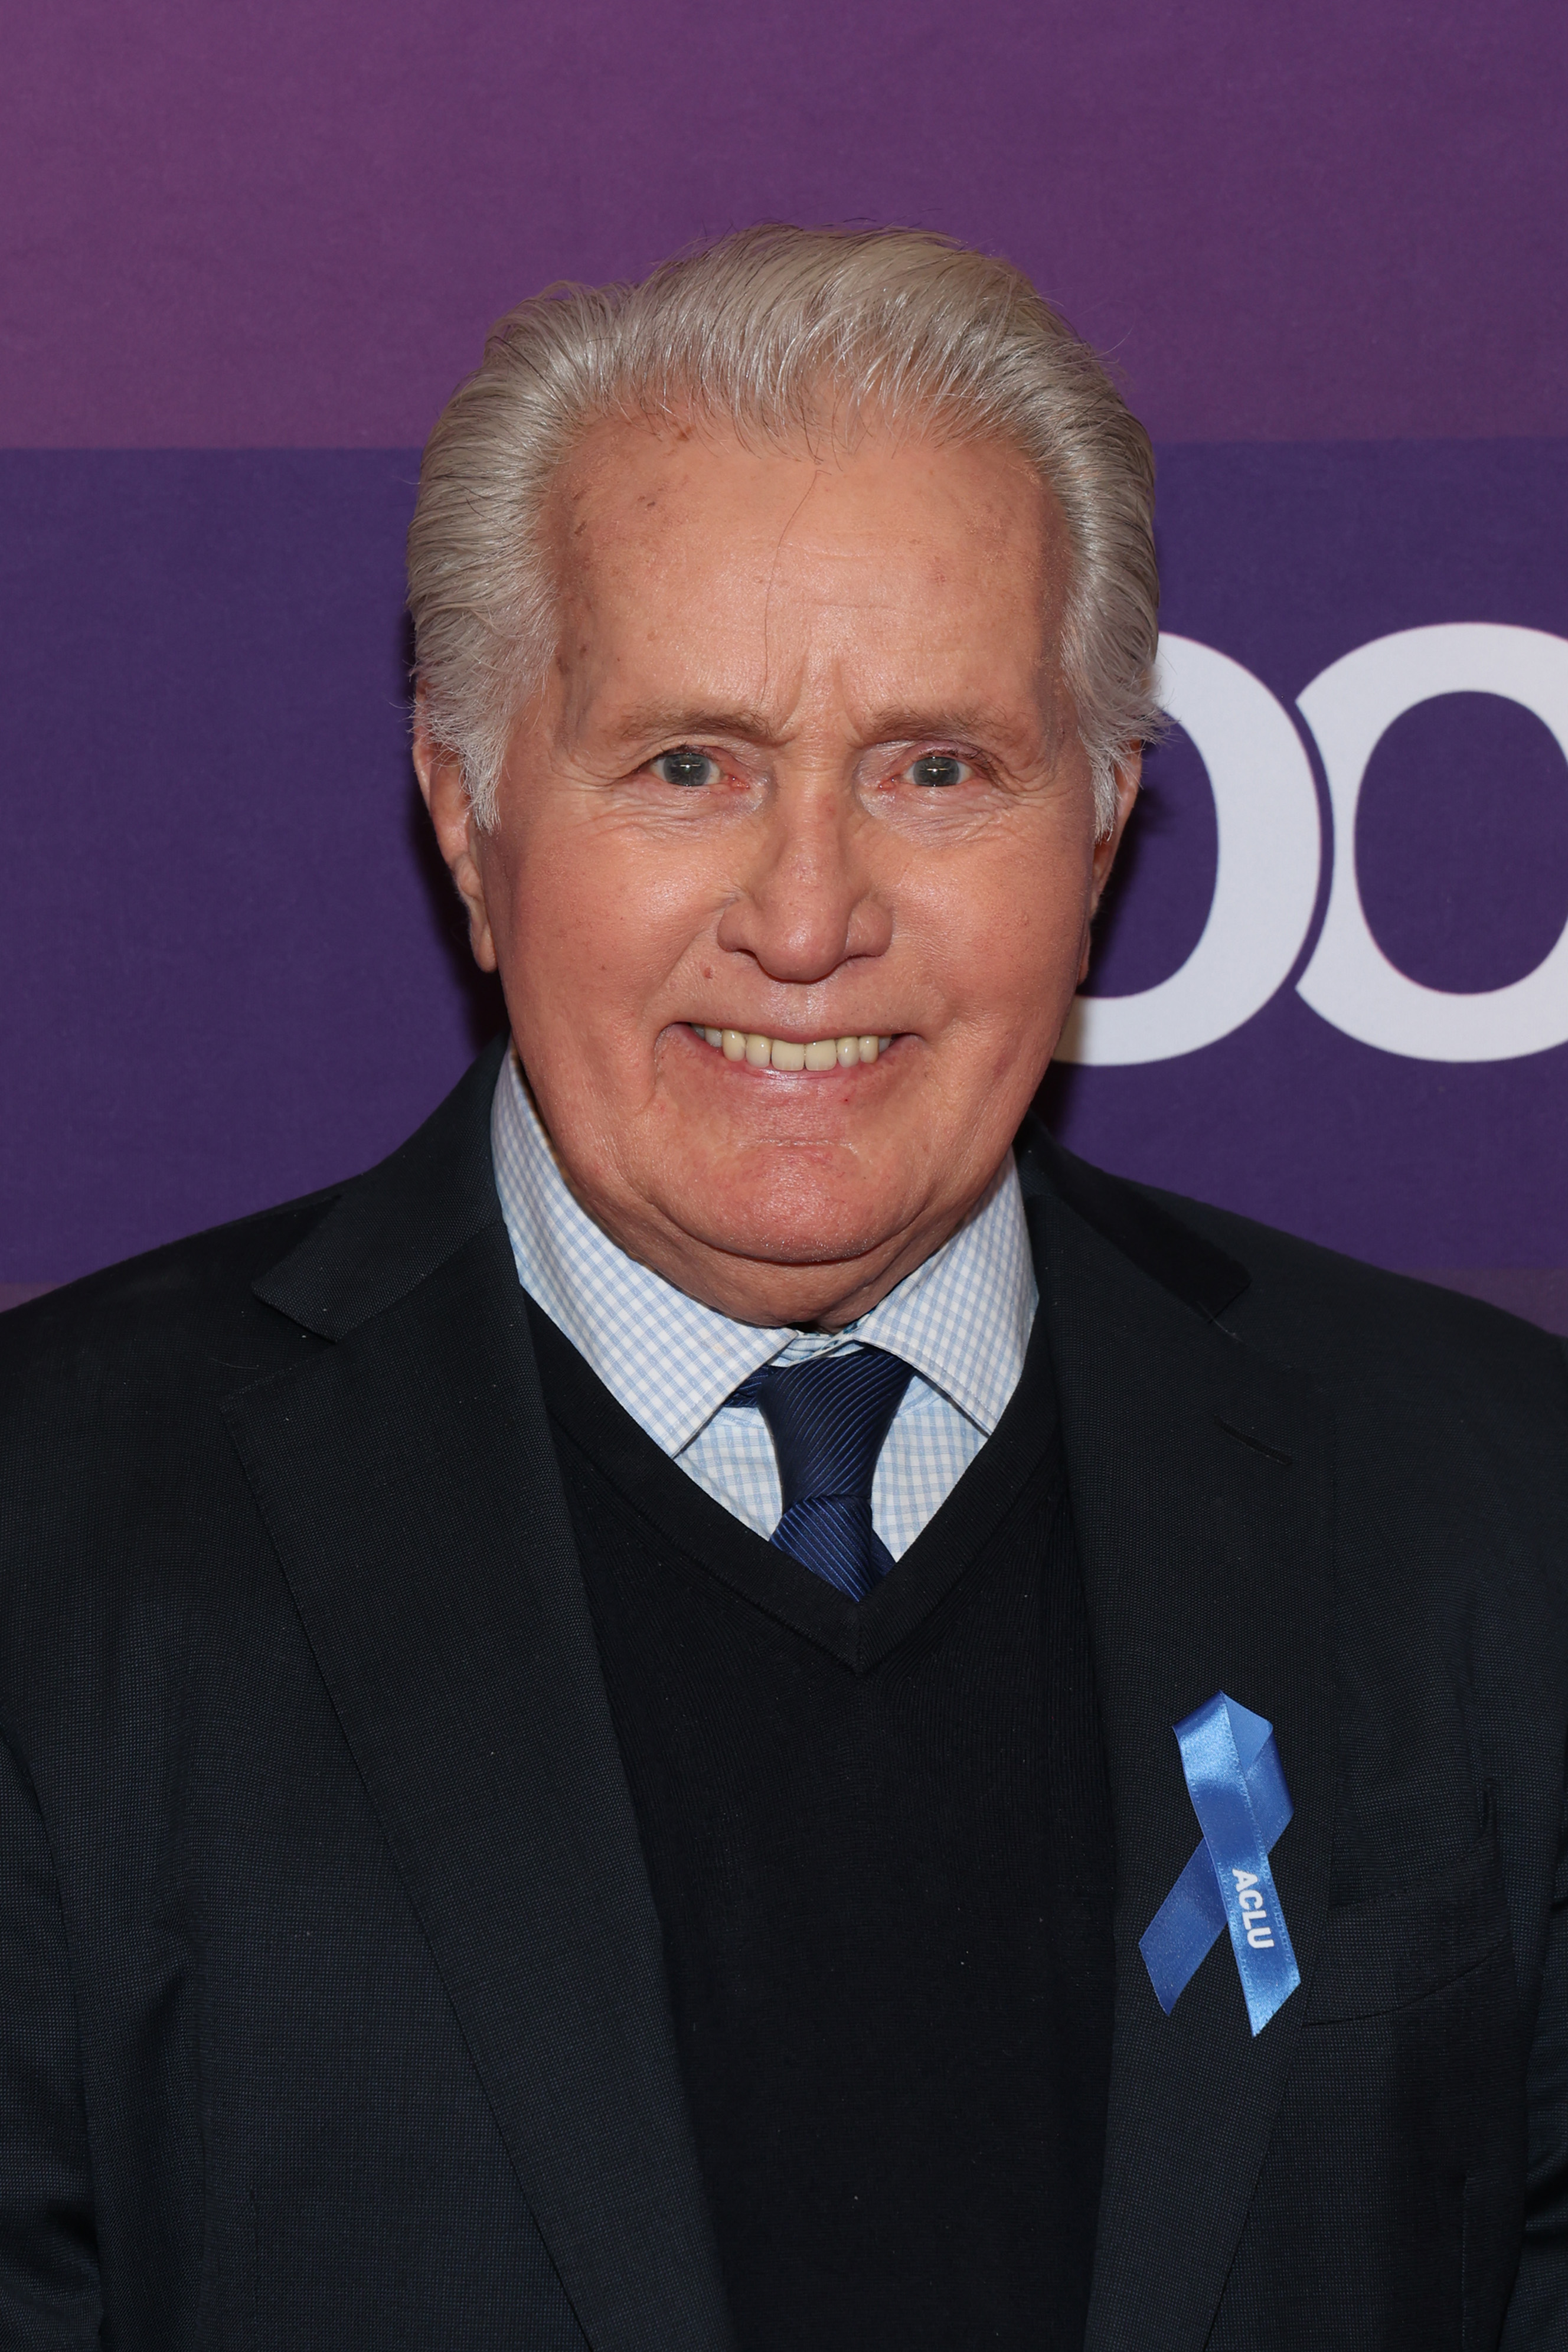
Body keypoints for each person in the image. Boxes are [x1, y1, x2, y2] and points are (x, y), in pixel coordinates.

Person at [1, 226, 1564, 2352]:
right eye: (687, 765)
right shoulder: (57, 1538)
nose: (811, 915)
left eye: (937, 768)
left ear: (1101, 830)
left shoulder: (1488, 1508)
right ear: (470, 827)